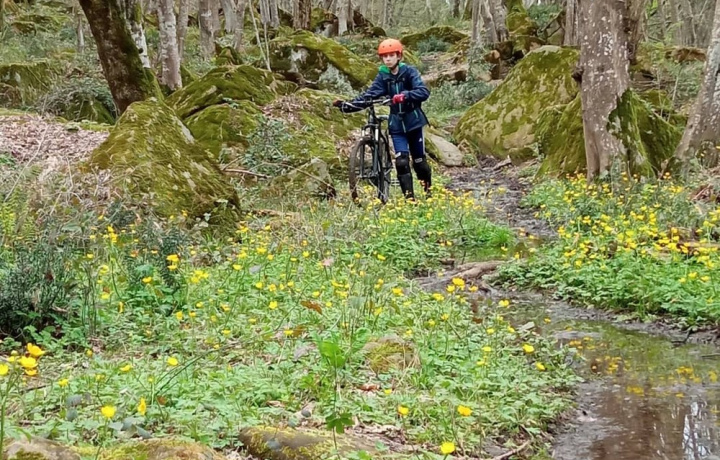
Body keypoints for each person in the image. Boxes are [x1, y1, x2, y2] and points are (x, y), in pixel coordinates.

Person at [333, 38, 432, 199]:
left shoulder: (409, 72)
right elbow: (370, 95)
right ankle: (410, 200)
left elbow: (423, 92)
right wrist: (348, 106)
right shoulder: (383, 76)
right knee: (401, 161)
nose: (388, 59)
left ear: (399, 56)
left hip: (413, 122)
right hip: (397, 125)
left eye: (391, 55)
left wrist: (405, 96)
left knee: (419, 162)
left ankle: (428, 192)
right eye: (384, 56)